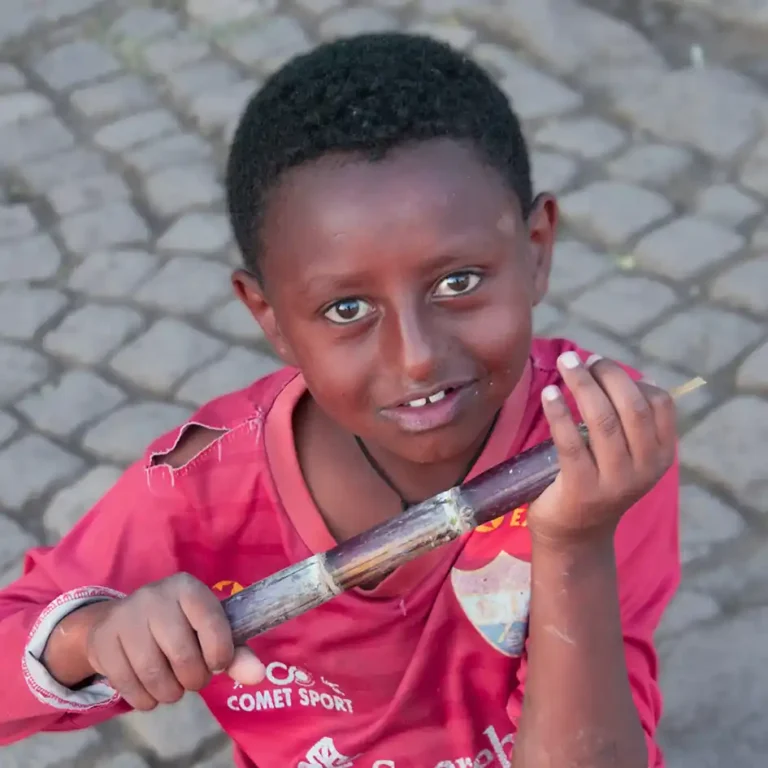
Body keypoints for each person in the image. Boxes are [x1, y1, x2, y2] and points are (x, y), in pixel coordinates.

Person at [0, 32, 679, 768]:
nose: (417, 356)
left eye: (458, 283)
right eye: (346, 309)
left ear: (537, 248)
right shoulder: (206, 488)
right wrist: (93, 637)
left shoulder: (592, 442)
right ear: (269, 317)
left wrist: (575, 546)